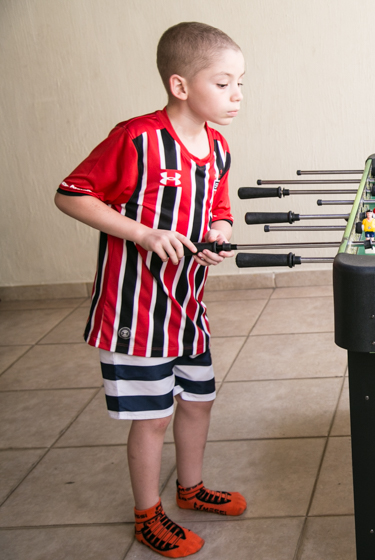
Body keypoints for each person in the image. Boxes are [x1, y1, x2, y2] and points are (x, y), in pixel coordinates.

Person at [54, 22, 247, 557]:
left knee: (198, 402)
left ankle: (190, 489)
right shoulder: (137, 138)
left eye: (240, 84)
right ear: (181, 85)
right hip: (134, 311)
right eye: (224, 83)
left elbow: (221, 212)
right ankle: (148, 515)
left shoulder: (218, 146)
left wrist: (218, 236)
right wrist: (142, 232)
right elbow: (71, 195)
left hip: (187, 306)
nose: (237, 96)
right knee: (153, 415)